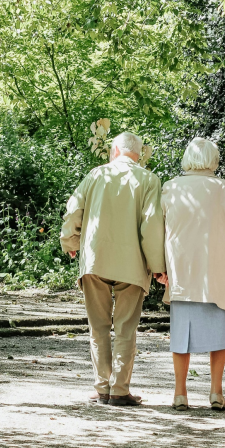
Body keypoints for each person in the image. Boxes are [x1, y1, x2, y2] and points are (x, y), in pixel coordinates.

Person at [60, 131, 165, 406]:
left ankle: (102, 388)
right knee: (125, 329)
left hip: (96, 260)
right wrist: (157, 266)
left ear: (115, 150)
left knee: (98, 327)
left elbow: (73, 211)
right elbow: (152, 226)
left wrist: (70, 241)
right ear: (138, 154)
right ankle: (119, 390)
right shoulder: (149, 180)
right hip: (132, 264)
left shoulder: (95, 175)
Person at [156, 137, 225, 411]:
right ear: (214, 160)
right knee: (218, 335)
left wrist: (159, 268)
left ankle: (180, 394)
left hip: (182, 272)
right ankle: (216, 393)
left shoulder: (171, 188)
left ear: (187, 159)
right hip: (217, 273)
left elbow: (158, 232)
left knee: (180, 336)